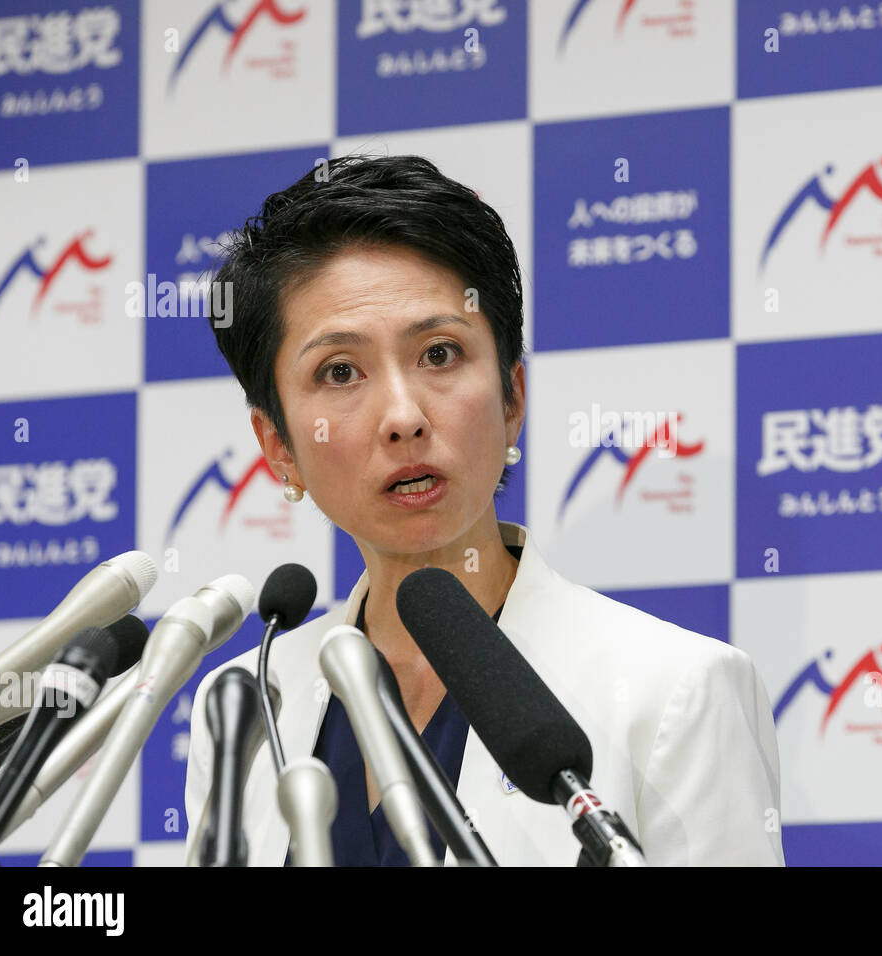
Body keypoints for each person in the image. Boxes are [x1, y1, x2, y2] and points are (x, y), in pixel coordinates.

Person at [182, 154, 784, 866]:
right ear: (279, 445)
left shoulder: (674, 689)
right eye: (339, 371)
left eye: (440, 353)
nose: (402, 417)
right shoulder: (248, 700)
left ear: (511, 400)